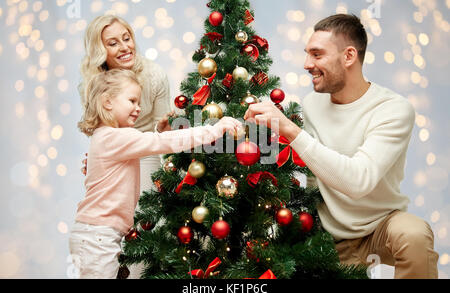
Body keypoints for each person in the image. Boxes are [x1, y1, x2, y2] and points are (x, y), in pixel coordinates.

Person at [244, 14, 439, 279]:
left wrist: (290, 129)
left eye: (317, 54)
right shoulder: (312, 105)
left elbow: (358, 181)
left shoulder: (392, 109)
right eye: (307, 54)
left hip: (379, 227)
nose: (306, 64)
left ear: (349, 56)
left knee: (414, 234)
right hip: (326, 235)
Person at [70, 69, 242, 278]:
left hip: (97, 234)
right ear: (108, 102)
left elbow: (152, 142)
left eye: (139, 102)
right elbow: (159, 143)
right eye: (132, 101)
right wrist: (214, 130)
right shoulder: (115, 137)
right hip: (98, 236)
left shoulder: (106, 138)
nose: (138, 108)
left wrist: (160, 133)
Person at [78, 15, 172, 278]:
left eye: (126, 38)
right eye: (113, 43)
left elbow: (164, 132)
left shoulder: (154, 75)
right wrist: (94, 161)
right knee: (108, 228)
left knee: (144, 228)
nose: (124, 47)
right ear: (100, 51)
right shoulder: (89, 84)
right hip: (114, 157)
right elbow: (99, 133)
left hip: (148, 152)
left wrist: (165, 132)